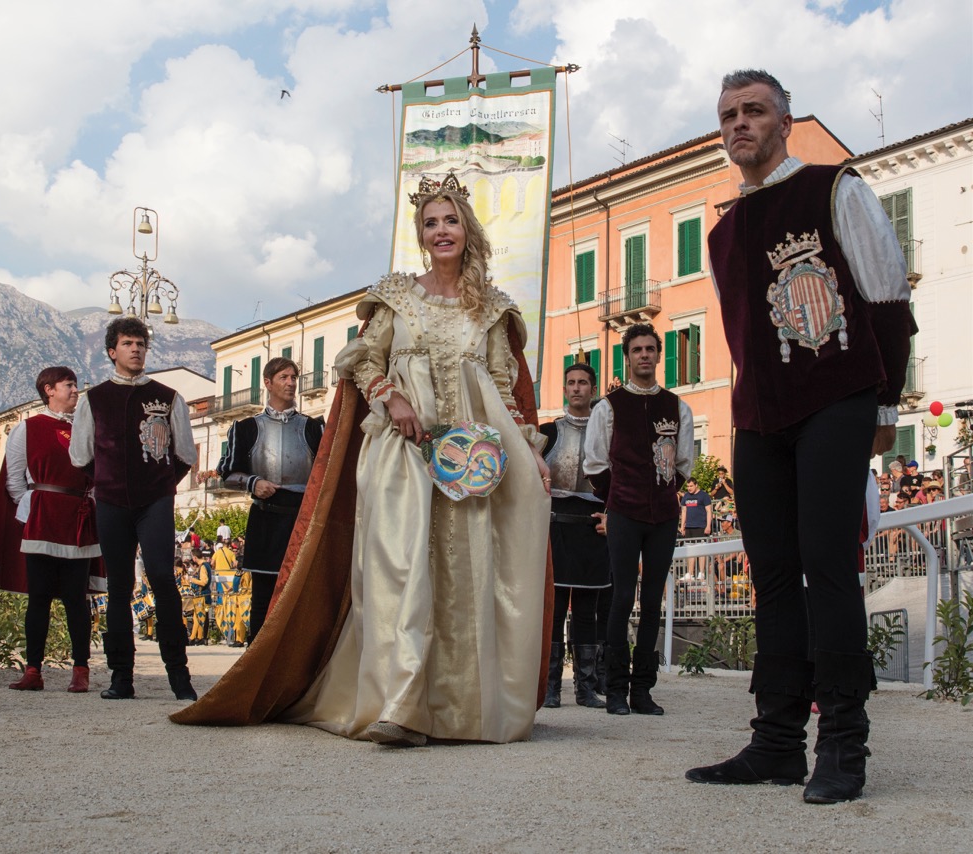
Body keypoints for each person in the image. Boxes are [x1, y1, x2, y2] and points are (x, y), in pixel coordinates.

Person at [174, 173, 552, 746]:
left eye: (450, 220)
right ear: (421, 235)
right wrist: (391, 395)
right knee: (400, 571)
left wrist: (531, 451)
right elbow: (358, 359)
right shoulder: (396, 297)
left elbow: (504, 387)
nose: (441, 230)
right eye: (430, 223)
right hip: (402, 455)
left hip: (473, 461)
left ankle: (458, 710)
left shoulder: (493, 309)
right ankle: (400, 706)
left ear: (467, 229)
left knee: (465, 579)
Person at [686, 69, 914, 805]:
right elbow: (741, 336)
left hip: (835, 395)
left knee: (827, 563)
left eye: (754, 111)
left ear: (784, 122)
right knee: (773, 576)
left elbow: (886, 293)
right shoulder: (721, 235)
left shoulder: (832, 188)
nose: (739, 125)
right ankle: (778, 739)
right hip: (759, 411)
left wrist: (885, 405)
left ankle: (844, 739)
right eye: (729, 115)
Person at [70, 317, 198, 701]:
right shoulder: (93, 400)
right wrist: (107, 481)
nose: (136, 349)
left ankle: (179, 675)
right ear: (112, 351)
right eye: (128, 343)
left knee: (162, 578)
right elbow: (80, 456)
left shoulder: (169, 396)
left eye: (141, 343)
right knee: (119, 586)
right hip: (110, 502)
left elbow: (186, 454)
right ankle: (121, 677)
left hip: (156, 501)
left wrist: (158, 485)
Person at [584, 322, 694, 716]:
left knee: (652, 603)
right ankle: (614, 689)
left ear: (658, 355)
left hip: (663, 515)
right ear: (627, 357)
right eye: (637, 350)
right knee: (620, 598)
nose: (644, 355)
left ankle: (643, 691)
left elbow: (683, 462)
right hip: (625, 513)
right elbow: (594, 463)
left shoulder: (678, 406)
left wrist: (662, 490)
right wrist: (619, 497)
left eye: (650, 349)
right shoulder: (608, 407)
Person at [0, 367, 100, 692]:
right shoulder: (26, 428)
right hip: (42, 520)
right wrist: (37, 507)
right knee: (39, 598)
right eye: (69, 385)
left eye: (75, 385)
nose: (75, 390)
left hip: (78, 521)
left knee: (76, 599)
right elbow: (14, 479)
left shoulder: (87, 431)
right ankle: (33, 671)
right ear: (49, 389)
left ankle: (81, 670)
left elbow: (98, 477)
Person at [216, 356, 324, 641]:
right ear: (268, 383)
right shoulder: (246, 428)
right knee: (263, 596)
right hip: (265, 517)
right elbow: (226, 472)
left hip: (303, 520)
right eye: (284, 378)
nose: (290, 383)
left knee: (303, 594)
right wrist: (253, 482)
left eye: (293, 378)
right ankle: (256, 663)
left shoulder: (313, 428)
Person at [539, 360, 609, 710]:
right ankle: (551, 687)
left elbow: (619, 482)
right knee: (553, 611)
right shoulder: (548, 434)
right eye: (571, 382)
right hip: (555, 528)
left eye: (583, 382)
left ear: (592, 389)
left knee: (586, 611)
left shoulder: (607, 434)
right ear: (565, 389)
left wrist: (611, 515)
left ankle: (586, 688)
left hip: (592, 529)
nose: (577, 388)